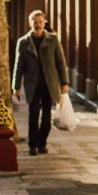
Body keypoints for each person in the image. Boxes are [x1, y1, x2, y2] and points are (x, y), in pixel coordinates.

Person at [12, 10, 69, 156]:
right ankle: (32, 145)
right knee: (33, 115)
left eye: (40, 22)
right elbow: (19, 66)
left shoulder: (53, 40)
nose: (38, 25)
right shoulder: (23, 42)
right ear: (30, 23)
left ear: (44, 23)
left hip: (49, 85)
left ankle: (42, 143)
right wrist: (16, 86)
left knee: (46, 118)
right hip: (33, 85)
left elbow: (60, 63)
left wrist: (64, 83)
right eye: (35, 22)